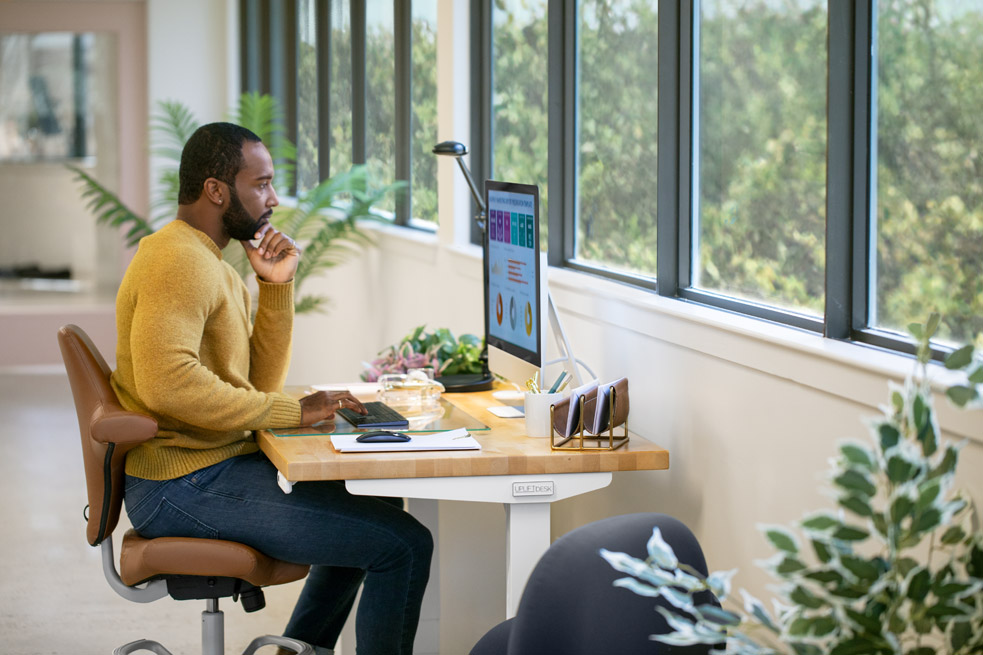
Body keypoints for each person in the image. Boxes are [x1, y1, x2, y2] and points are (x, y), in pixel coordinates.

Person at [111, 122, 433, 655]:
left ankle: (294, 650)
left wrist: (275, 286)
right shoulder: (177, 259)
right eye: (260, 184)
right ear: (217, 189)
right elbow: (167, 385)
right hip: (180, 485)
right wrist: (295, 412)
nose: (274, 199)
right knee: (404, 544)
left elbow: (255, 387)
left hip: (207, 468)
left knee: (373, 496)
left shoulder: (211, 263)